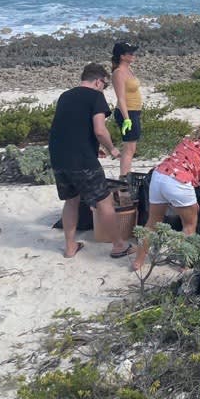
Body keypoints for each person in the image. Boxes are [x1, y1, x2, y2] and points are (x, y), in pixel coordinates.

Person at [131, 112, 200, 272]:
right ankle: (185, 265)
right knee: (189, 225)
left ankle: (138, 262)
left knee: (151, 224)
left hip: (159, 176)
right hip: (178, 181)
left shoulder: (189, 140)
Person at [47, 63, 129, 259]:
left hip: (59, 156)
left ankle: (69, 246)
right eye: (105, 85)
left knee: (71, 200)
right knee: (104, 200)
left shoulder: (65, 96)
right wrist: (112, 148)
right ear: (99, 81)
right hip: (81, 159)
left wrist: (93, 148)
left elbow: (70, 127)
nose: (104, 89)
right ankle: (118, 245)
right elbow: (100, 130)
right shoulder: (95, 96)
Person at [111, 41, 142, 179]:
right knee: (129, 149)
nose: (133, 55)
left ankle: (126, 176)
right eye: (130, 53)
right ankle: (124, 179)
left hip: (134, 111)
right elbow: (121, 98)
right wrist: (127, 118)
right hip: (127, 113)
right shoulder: (118, 73)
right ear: (122, 56)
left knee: (131, 148)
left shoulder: (129, 69)